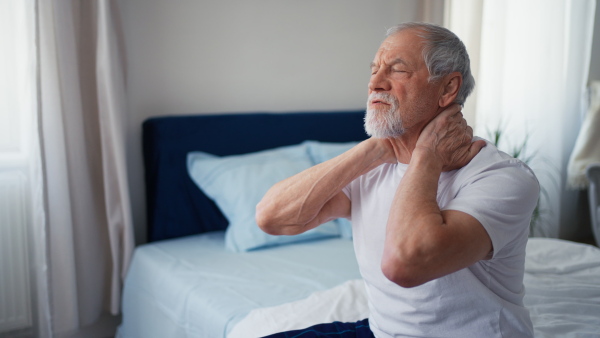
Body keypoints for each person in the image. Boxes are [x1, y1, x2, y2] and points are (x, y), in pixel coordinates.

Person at [256, 22, 539, 338]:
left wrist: (426, 155)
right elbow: (271, 218)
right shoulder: (373, 164)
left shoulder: (502, 176)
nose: (375, 83)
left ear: (448, 89)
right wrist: (374, 149)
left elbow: (404, 264)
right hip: (380, 331)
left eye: (398, 70)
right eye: (374, 70)